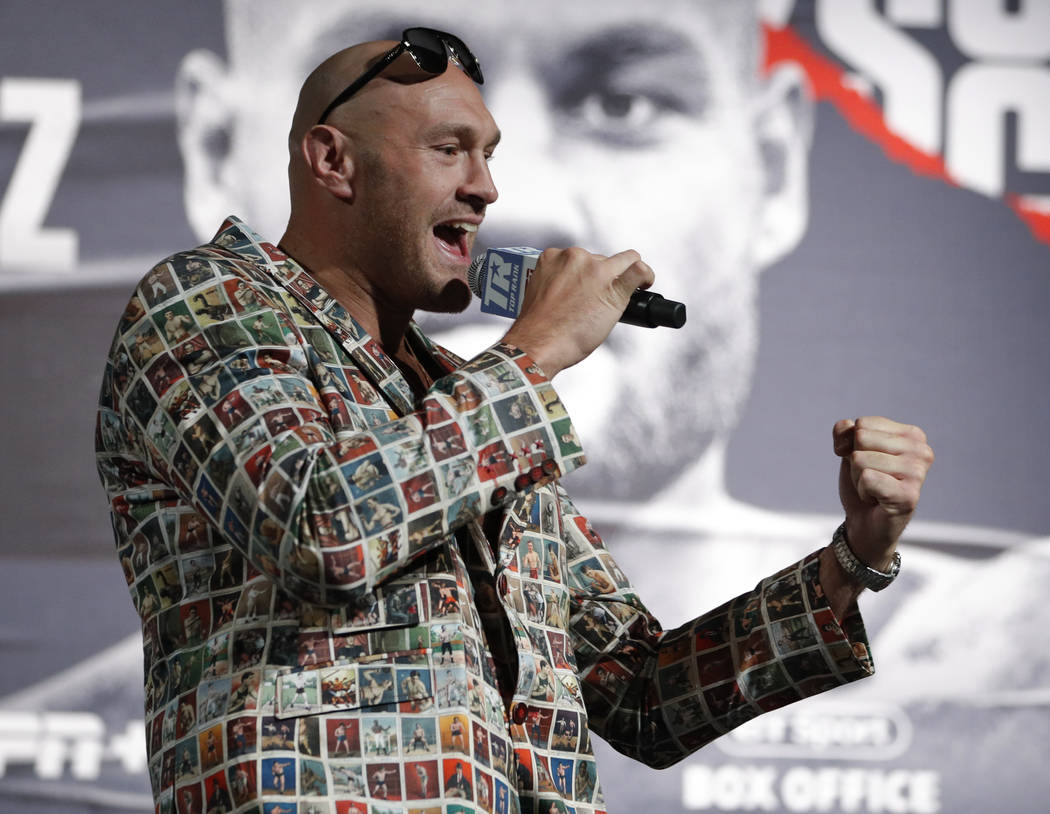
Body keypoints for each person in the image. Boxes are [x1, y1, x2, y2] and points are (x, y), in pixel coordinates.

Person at [98, 27, 932, 813]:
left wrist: (852, 562)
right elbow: (323, 528)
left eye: (488, 156)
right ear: (333, 161)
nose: (487, 187)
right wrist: (534, 351)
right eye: (448, 148)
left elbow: (643, 694)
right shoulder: (207, 305)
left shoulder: (471, 404)